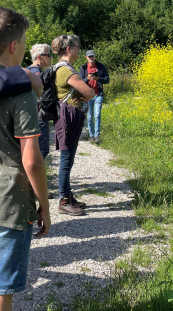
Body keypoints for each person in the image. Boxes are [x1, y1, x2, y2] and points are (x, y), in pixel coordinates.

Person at [0, 7, 50, 311]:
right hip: (10, 200)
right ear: (14, 46)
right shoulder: (21, 91)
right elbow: (31, 159)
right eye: (25, 40)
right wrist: (43, 203)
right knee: (0, 287)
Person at [52, 35, 95, 215]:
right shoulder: (65, 70)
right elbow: (89, 92)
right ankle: (63, 200)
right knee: (66, 160)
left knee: (67, 159)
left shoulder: (62, 68)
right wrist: (86, 93)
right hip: (68, 117)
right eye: (77, 47)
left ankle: (68, 195)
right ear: (69, 49)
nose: (79, 51)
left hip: (69, 116)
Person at [26, 43, 52, 158]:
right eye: (48, 54)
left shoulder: (28, 70)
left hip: (30, 116)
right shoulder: (37, 74)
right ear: (40, 57)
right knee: (42, 151)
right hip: (38, 117)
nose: (51, 57)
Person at [79, 49, 110, 144]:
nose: (91, 58)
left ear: (94, 57)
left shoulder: (100, 66)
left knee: (97, 115)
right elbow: (80, 82)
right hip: (88, 95)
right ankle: (91, 135)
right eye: (89, 57)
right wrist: (87, 79)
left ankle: (97, 136)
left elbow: (107, 79)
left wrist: (98, 78)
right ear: (86, 57)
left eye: (92, 56)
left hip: (98, 94)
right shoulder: (83, 68)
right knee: (89, 117)